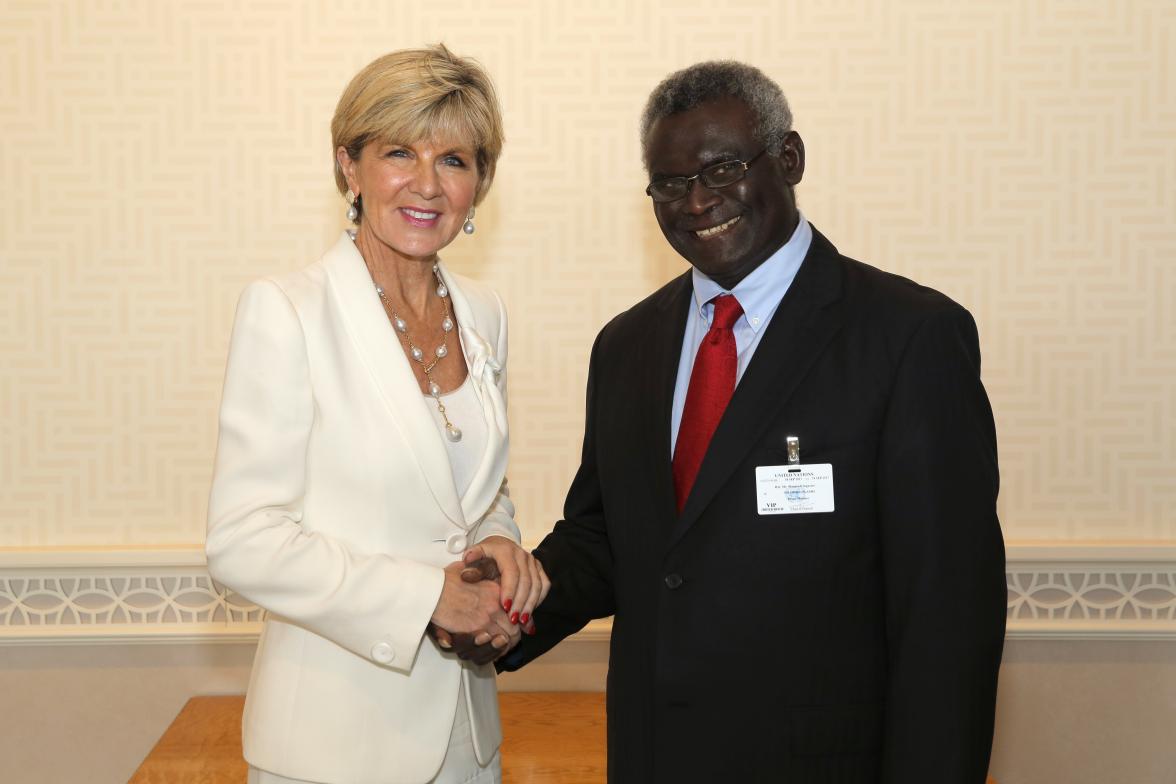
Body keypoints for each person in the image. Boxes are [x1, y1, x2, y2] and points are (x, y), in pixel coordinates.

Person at [462, 60, 1006, 782]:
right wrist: (499, 610)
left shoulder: (908, 338)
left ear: (789, 159)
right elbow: (608, 540)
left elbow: (948, 616)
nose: (696, 202)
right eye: (669, 183)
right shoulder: (627, 346)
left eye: (721, 170)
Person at [205, 45, 547, 784]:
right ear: (348, 166)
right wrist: (429, 598)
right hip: (330, 746)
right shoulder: (287, 311)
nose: (427, 184)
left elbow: (476, 494)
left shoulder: (486, 315)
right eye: (399, 152)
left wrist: (500, 545)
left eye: (455, 159)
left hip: (468, 730)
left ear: (480, 183)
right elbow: (243, 541)